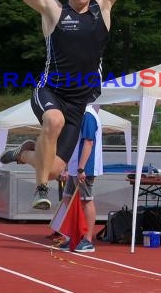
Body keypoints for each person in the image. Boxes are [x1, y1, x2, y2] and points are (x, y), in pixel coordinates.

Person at [0, 0, 129, 210]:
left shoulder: (103, 7)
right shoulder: (53, 10)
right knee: (53, 122)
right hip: (50, 92)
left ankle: (24, 154)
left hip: (80, 102)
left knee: (57, 167)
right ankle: (41, 189)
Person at [57, 105, 103, 253]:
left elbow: (88, 142)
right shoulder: (77, 113)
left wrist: (81, 167)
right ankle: (74, 236)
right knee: (67, 198)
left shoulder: (88, 115)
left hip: (85, 166)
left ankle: (88, 240)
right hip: (74, 165)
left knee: (86, 200)